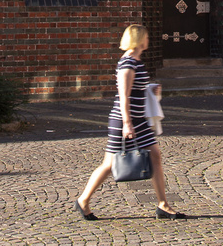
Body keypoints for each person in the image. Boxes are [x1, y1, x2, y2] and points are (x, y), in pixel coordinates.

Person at [75, 24, 185, 220]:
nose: (148, 40)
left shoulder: (136, 61)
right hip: (125, 120)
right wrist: (127, 123)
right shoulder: (127, 63)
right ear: (139, 39)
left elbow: (135, 90)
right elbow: (123, 96)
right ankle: (83, 200)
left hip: (138, 119)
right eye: (146, 36)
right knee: (109, 164)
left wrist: (150, 89)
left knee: (155, 156)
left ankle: (163, 204)